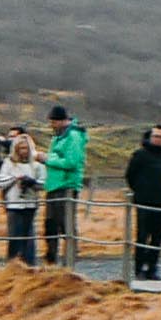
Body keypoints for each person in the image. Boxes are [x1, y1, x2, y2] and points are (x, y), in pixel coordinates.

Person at [123, 126, 161, 284]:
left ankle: (152, 268)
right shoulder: (140, 155)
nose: (156, 139)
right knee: (142, 235)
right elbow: (130, 175)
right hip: (144, 201)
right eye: (154, 136)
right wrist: (139, 191)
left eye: (160, 136)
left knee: (157, 236)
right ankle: (139, 269)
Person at [41, 106, 89, 266]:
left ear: (62, 121)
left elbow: (71, 162)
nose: (52, 125)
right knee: (50, 225)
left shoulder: (73, 137)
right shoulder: (59, 137)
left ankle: (69, 263)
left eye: (53, 122)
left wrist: (47, 159)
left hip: (66, 186)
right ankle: (52, 261)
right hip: (54, 186)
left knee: (66, 225)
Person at [0, 129, 48, 263]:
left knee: (28, 235)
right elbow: (0, 181)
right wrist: (15, 179)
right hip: (13, 204)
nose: (23, 151)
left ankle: (30, 264)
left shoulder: (37, 165)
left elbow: (44, 183)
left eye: (26, 148)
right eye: (20, 148)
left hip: (30, 203)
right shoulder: (9, 163)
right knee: (14, 236)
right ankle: (13, 264)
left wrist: (32, 183)